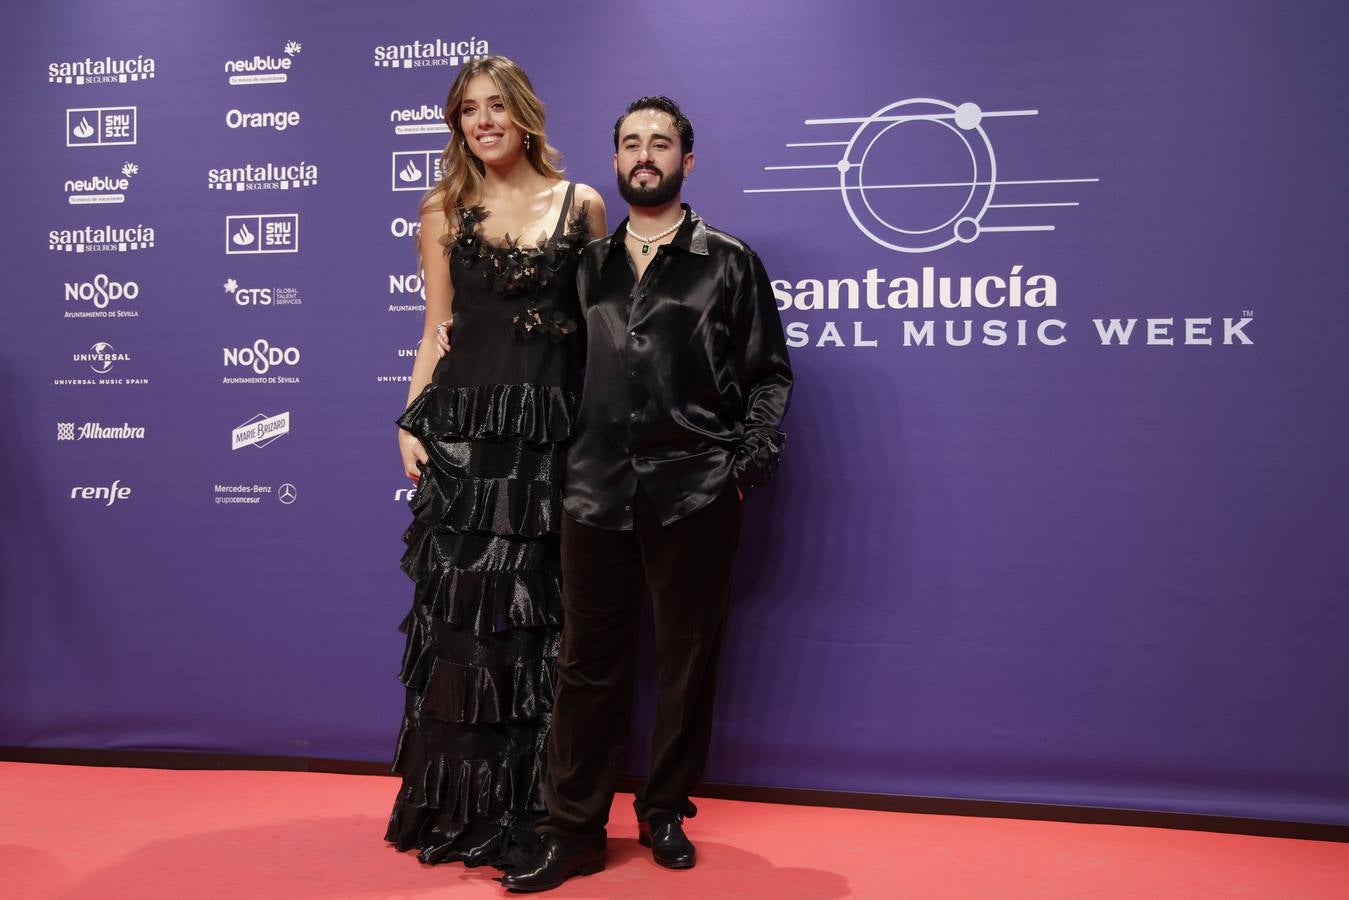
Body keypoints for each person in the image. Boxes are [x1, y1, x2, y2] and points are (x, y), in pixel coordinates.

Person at [500, 96, 793, 892]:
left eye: (659, 142)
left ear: (685, 161)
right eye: (630, 142)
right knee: (586, 665)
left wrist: (741, 471)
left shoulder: (727, 262)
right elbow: (553, 379)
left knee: (685, 662)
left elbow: (767, 376)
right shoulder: (585, 269)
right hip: (592, 492)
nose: (644, 154)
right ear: (616, 160)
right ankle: (573, 830)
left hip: (693, 492)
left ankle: (663, 809)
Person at [387, 55, 606, 871]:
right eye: (467, 112)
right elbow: (434, 330)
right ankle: (460, 809)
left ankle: (539, 814)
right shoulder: (443, 209)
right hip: (465, 438)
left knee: (542, 621)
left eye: (495, 107)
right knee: (467, 622)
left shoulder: (579, 205)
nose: (482, 122)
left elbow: (597, 334)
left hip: (550, 438)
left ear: (524, 115)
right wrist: (411, 422)